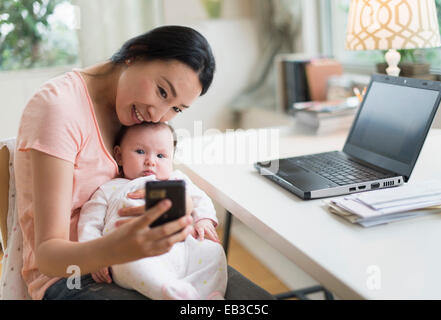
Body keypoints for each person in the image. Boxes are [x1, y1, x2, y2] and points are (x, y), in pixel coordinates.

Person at [14, 25, 274, 300]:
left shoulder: (140, 120)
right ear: (135, 55)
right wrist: (115, 249)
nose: (158, 115)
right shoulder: (60, 109)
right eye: (162, 92)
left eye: (176, 109)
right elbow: (48, 257)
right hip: (76, 276)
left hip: (164, 259)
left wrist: (181, 209)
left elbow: (162, 182)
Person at [78, 122, 227, 300]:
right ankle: (171, 291)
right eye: (140, 152)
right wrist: (96, 255)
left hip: (181, 247)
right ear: (119, 156)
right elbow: (90, 222)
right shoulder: (110, 188)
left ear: (171, 159)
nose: (151, 161)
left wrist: (204, 220)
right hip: (132, 249)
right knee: (127, 263)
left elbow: (200, 199)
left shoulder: (176, 179)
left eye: (161, 155)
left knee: (213, 251)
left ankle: (208, 294)